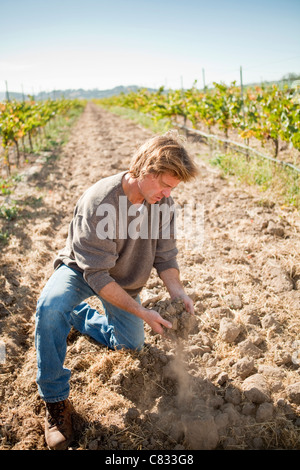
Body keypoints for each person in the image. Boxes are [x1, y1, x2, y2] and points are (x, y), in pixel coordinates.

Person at [34, 131, 198, 450]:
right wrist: (141, 311)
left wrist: (178, 293)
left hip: (124, 279)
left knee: (131, 345)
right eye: (164, 184)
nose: (167, 194)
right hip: (84, 269)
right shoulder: (101, 201)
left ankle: (79, 316)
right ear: (146, 171)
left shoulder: (162, 204)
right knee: (51, 307)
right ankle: (55, 401)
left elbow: (165, 256)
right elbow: (96, 274)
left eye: (172, 188)